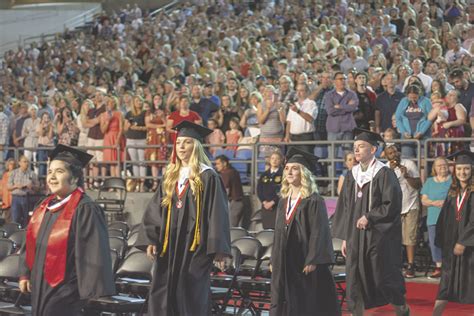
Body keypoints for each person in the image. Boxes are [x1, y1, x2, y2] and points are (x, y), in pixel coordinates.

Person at [135, 120, 231, 315]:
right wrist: (151, 238)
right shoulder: (171, 176)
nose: (181, 147)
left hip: (195, 247)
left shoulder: (208, 177)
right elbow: (155, 209)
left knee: (190, 293)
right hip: (168, 245)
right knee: (163, 292)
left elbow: (218, 213)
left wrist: (218, 249)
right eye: (178, 143)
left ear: (195, 146)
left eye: (186, 142)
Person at [18, 145, 115, 315]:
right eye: (50, 172)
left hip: (67, 291)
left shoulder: (85, 209)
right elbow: (30, 243)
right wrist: (25, 273)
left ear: (75, 178)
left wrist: (86, 296)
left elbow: (93, 255)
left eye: (59, 172)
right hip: (39, 286)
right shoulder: (43, 206)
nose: (52, 177)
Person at [332, 128, 409, 316]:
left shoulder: (384, 173)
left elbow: (391, 204)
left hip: (377, 237)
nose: (356, 151)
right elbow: (345, 208)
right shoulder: (352, 175)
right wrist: (345, 237)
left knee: (382, 276)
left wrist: (370, 216)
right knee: (354, 278)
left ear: (373, 150)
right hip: (355, 237)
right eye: (354, 147)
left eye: (361, 147)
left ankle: (402, 309)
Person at [270, 147, 339, 316]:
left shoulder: (313, 200)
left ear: (304, 173)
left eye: (295, 168)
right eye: (287, 168)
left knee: (305, 302)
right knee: (283, 298)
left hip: (304, 260)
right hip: (285, 260)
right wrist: (274, 258)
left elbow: (319, 231)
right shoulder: (283, 201)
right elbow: (278, 233)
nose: (289, 172)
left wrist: (313, 258)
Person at [384, 144, 422, 278]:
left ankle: (411, 265)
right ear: (386, 156)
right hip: (394, 208)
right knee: (394, 237)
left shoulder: (409, 163)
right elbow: (383, 189)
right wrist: (390, 172)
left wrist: (406, 175)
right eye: (390, 153)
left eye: (394, 151)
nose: (393, 154)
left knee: (409, 237)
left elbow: (418, 185)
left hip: (411, 205)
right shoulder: (385, 168)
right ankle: (395, 264)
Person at [421, 157, 452, 279]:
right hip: (433, 218)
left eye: (444, 165)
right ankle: (438, 266)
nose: (442, 167)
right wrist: (435, 203)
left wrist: (445, 202)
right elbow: (424, 200)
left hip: (449, 217)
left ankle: (450, 267)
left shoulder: (452, 181)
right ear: (434, 168)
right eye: (439, 165)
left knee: (448, 242)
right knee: (435, 243)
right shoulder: (429, 181)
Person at [8, 156, 40, 227]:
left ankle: (25, 234)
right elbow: (8, 187)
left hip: (27, 198)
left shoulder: (32, 173)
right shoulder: (14, 173)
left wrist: (32, 186)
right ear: (19, 163)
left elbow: (38, 187)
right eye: (24, 161)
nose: (27, 163)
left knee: (27, 219)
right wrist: (16, 186)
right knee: (15, 218)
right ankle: (15, 234)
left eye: (27, 162)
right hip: (16, 199)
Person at [215, 154, 245, 227]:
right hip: (238, 202)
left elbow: (225, 190)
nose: (216, 166)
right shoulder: (233, 171)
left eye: (218, 164)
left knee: (230, 228)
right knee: (236, 227)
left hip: (233, 203)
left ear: (224, 163)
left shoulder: (227, 173)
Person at [257, 151, 283, 229]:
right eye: (272, 158)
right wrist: (264, 202)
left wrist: (272, 202)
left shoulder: (283, 174)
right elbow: (259, 189)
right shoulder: (264, 174)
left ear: (281, 160)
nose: (274, 160)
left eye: (277, 159)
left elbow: (283, 191)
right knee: (266, 229)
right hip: (266, 207)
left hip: (278, 206)